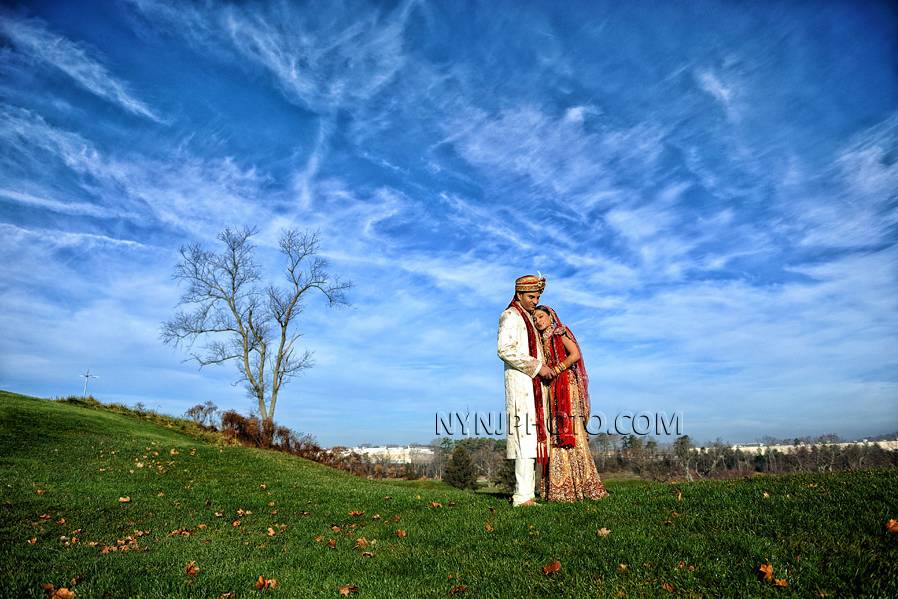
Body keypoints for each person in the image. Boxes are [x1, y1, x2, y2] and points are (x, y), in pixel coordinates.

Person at [532, 305, 610, 502]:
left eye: (541, 316)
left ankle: (582, 484)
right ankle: (560, 488)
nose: (538, 321)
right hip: (552, 387)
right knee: (555, 430)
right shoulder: (539, 340)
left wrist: (556, 370)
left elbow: (574, 354)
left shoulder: (560, 331)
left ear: (551, 316)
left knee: (570, 430)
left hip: (566, 384)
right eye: (535, 319)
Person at [497, 275, 557, 507]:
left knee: (534, 440)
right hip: (521, 385)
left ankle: (532, 493)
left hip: (536, 387)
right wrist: (538, 367)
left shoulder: (530, 319)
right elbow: (504, 349)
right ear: (519, 294)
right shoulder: (510, 316)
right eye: (531, 296)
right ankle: (522, 497)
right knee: (524, 439)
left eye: (538, 297)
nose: (535, 300)